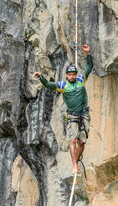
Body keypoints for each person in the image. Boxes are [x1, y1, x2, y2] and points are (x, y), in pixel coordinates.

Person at [33, 44, 93, 174]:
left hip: (84, 114)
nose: (72, 76)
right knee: (73, 140)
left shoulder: (81, 80)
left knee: (82, 142)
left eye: (73, 74)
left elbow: (89, 67)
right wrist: (41, 77)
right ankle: (75, 165)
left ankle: (76, 160)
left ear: (76, 75)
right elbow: (49, 85)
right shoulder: (63, 85)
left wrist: (88, 54)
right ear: (66, 75)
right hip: (72, 116)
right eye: (70, 75)